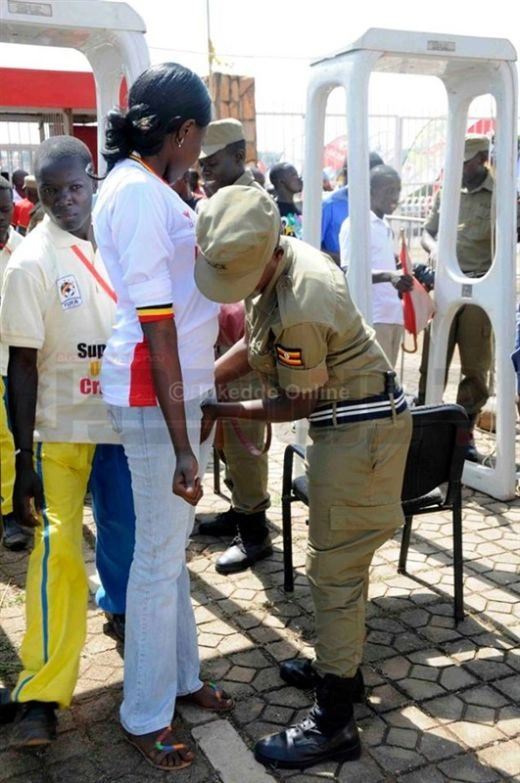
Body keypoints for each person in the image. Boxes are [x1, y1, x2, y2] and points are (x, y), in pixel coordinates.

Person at [195, 185, 412, 770]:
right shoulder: (280, 264)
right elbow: (254, 339)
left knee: (333, 573)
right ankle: (341, 665)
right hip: (350, 431)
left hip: (357, 436)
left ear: (266, 251)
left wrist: (221, 409)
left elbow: (297, 403)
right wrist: (212, 376)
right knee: (340, 567)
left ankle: (335, 719)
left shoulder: (303, 300)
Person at [93, 62, 233, 772]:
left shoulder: (143, 187)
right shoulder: (143, 198)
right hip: (157, 396)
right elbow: (158, 327)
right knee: (155, 560)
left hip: (170, 393)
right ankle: (145, 712)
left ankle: (180, 678)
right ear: (180, 132)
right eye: (197, 138)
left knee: (168, 550)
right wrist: (184, 445)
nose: (198, 151)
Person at [0, 136, 136, 747]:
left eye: (74, 187)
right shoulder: (30, 262)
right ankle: (42, 692)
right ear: (38, 195)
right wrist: (23, 458)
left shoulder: (121, 239)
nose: (65, 201)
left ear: (93, 179)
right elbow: (20, 367)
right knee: (56, 556)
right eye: (50, 192)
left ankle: (127, 612)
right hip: (62, 431)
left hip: (126, 424)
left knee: (129, 538)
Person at [197, 118, 272, 573]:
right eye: (201, 166)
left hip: (246, 338)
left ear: (239, 156)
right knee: (227, 434)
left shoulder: (249, 202)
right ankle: (239, 513)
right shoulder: (224, 198)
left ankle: (255, 533)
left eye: (213, 164)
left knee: (244, 438)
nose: (204, 174)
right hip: (221, 334)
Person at [417, 134, 494, 461]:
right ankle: (422, 433)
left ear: (481, 160)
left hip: (480, 289)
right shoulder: (447, 192)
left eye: (465, 163)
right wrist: (434, 249)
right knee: (431, 361)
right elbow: (426, 231)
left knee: (476, 370)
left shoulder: (501, 196)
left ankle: (464, 439)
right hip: (445, 288)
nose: (460, 169)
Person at [339, 165, 413, 368]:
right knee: (374, 383)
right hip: (372, 317)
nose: (395, 196)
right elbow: (348, 271)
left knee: (388, 383)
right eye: (389, 191)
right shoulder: (355, 224)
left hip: (392, 315)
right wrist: (389, 276)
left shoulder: (385, 226)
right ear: (371, 191)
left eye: (398, 190)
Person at [0, 177, 26, 550]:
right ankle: (8, 514)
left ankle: (21, 504)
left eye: (3, 210)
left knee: (22, 438)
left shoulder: (24, 250)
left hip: (21, 362)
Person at [321, 152, 384, 264]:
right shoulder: (329, 204)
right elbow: (311, 246)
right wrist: (348, 262)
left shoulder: (377, 204)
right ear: (348, 173)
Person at [269, 161, 303, 238]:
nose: (299, 178)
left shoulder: (296, 208)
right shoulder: (275, 211)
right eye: (294, 175)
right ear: (281, 182)